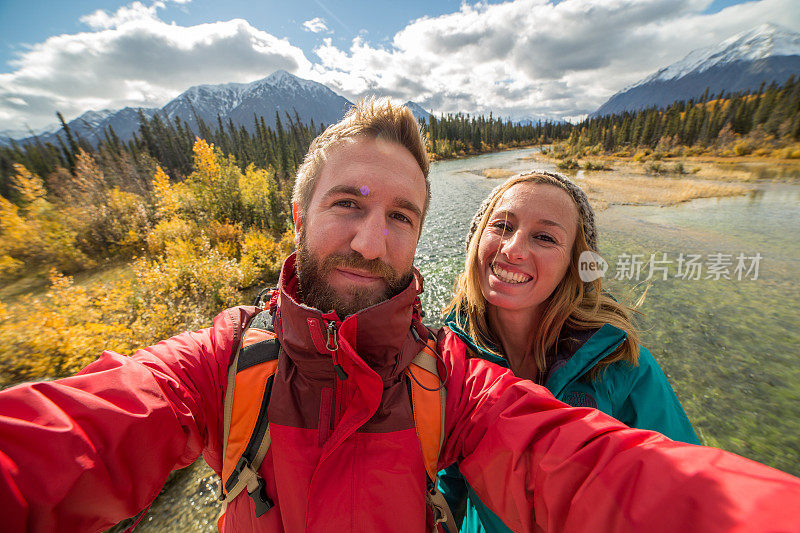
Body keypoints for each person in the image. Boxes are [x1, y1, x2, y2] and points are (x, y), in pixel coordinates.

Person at [1, 99, 800, 533]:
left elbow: (603, 471)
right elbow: (75, 435)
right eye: (347, 202)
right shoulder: (222, 360)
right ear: (297, 213)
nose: (371, 240)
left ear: (420, 236)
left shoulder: (452, 378)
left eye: (402, 217)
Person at [437, 172, 700, 532]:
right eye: (501, 225)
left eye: (544, 237)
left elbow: (686, 497)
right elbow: (446, 485)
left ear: (574, 264)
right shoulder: (449, 363)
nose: (513, 249)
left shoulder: (621, 367)